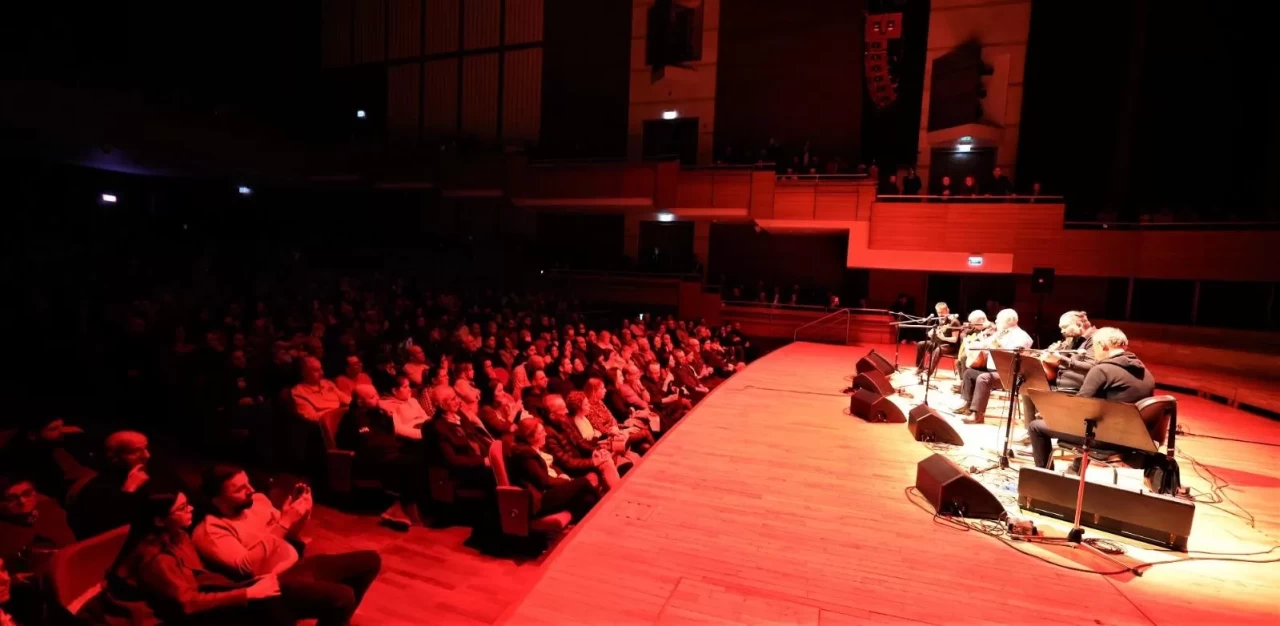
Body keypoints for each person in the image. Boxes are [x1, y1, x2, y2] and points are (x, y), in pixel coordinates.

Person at [193, 467, 382, 625]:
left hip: (298, 564)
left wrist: (301, 513)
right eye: (239, 489)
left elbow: (289, 534)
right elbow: (246, 566)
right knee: (343, 597)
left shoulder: (257, 501)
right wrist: (284, 522)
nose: (250, 489)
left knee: (370, 560)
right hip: (274, 583)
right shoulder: (212, 530)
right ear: (217, 499)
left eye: (248, 483)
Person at [101, 490, 288, 625]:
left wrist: (248, 584)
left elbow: (198, 575)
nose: (191, 509)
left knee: (270, 597)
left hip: (185, 599)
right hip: (160, 614)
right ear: (159, 520)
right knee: (262, 606)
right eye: (182, 508)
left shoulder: (179, 535)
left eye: (188, 504)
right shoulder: (157, 560)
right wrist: (247, 593)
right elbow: (186, 604)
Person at [1027, 328, 1156, 469]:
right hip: (1134, 438)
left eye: (1094, 347)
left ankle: (1044, 476)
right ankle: (1075, 469)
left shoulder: (1102, 370)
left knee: (1036, 427)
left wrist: (1053, 415)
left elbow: (1080, 408)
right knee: (1090, 422)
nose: (1094, 353)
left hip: (1106, 439)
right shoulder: (1146, 372)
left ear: (1102, 345)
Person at [339, 385, 423, 527]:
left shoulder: (377, 412)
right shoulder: (354, 416)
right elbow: (368, 442)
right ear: (360, 402)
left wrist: (389, 417)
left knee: (417, 458)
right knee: (410, 464)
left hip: (385, 455)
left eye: (377, 394)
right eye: (372, 397)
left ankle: (399, 506)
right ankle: (401, 507)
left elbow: (388, 435)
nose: (377, 399)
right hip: (364, 460)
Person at [505, 418, 599, 523]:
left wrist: (562, 476)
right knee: (583, 481)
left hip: (548, 491)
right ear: (530, 437)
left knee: (587, 499)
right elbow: (544, 482)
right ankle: (604, 508)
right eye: (541, 433)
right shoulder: (525, 455)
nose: (545, 434)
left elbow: (551, 468)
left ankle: (586, 526)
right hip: (540, 499)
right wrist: (566, 481)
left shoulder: (532, 448)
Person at [69, 431, 156, 539]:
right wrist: (128, 493)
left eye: (146, 448)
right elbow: (106, 533)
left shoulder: (137, 478)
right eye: (136, 451)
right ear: (114, 458)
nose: (147, 455)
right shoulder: (95, 489)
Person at [955, 309, 1033, 424]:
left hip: (1010, 374)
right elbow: (984, 343)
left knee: (984, 378)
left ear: (1009, 321)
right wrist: (971, 345)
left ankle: (978, 414)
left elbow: (1013, 357)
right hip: (995, 370)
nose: (995, 321)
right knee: (969, 373)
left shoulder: (1021, 336)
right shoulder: (1001, 333)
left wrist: (997, 346)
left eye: (998, 320)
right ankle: (967, 405)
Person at [0, 475, 75, 577]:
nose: (22, 501)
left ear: (35, 493)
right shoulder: (4, 532)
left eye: (27, 493)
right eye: (12, 498)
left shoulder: (52, 511)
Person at [291, 356, 350, 422]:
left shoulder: (327, 383)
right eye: (316, 370)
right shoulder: (298, 392)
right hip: (323, 426)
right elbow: (311, 417)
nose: (322, 373)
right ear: (304, 373)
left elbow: (346, 399)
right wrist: (337, 413)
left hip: (342, 419)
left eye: (320, 369)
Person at [914, 302, 959, 380]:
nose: (940, 315)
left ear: (947, 311)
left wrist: (944, 338)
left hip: (950, 346)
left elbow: (955, 339)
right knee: (921, 344)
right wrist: (930, 333)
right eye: (938, 312)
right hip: (937, 343)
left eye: (942, 312)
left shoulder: (954, 322)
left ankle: (927, 373)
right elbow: (934, 331)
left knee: (939, 350)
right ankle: (920, 369)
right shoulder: (939, 321)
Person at [380, 375, 430, 439]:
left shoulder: (413, 401)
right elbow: (398, 429)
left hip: (425, 428)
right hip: (414, 437)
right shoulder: (389, 405)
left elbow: (425, 417)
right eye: (405, 387)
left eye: (409, 386)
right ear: (394, 391)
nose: (409, 389)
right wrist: (422, 434)